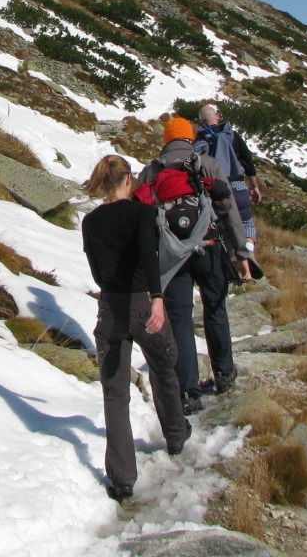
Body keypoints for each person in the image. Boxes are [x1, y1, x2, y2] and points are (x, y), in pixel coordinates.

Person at [82, 154, 190, 501]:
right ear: (129, 180)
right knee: (164, 367)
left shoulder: (91, 221)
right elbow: (149, 255)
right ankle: (175, 434)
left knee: (115, 393)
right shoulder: (142, 214)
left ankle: (123, 477)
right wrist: (157, 298)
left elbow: (97, 272)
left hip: (110, 308)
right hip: (144, 304)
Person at [139, 117, 254, 413]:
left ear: (165, 139)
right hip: (210, 248)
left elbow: (140, 219)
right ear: (191, 137)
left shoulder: (151, 171)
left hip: (172, 256)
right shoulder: (208, 165)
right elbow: (229, 210)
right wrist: (242, 253)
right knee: (216, 308)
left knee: (179, 320)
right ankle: (225, 373)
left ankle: (188, 391)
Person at [195, 103, 262, 250]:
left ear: (201, 122)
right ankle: (248, 254)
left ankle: (228, 257)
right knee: (246, 223)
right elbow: (248, 163)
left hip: (214, 188)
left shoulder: (200, 141)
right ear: (217, 117)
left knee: (219, 225)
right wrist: (254, 186)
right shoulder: (232, 136)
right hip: (237, 185)